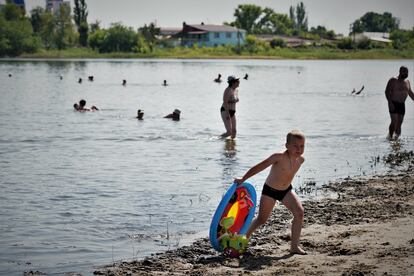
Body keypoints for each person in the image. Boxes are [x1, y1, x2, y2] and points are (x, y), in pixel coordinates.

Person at [234, 130, 307, 255]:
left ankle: (294, 247)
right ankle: (242, 238)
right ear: (287, 146)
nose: (299, 149)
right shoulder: (278, 157)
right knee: (261, 220)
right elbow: (259, 167)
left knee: (299, 213)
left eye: (302, 146)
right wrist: (243, 179)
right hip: (270, 191)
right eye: (295, 146)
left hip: (286, 191)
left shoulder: (300, 160)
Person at [385, 66, 414, 140]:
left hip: (402, 104)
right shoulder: (393, 80)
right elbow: (387, 92)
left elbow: (410, 93)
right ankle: (390, 137)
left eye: (407, 72)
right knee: (394, 121)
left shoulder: (407, 82)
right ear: (400, 72)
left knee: (399, 123)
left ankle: (396, 139)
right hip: (393, 103)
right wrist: (390, 103)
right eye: (404, 72)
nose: (406, 73)